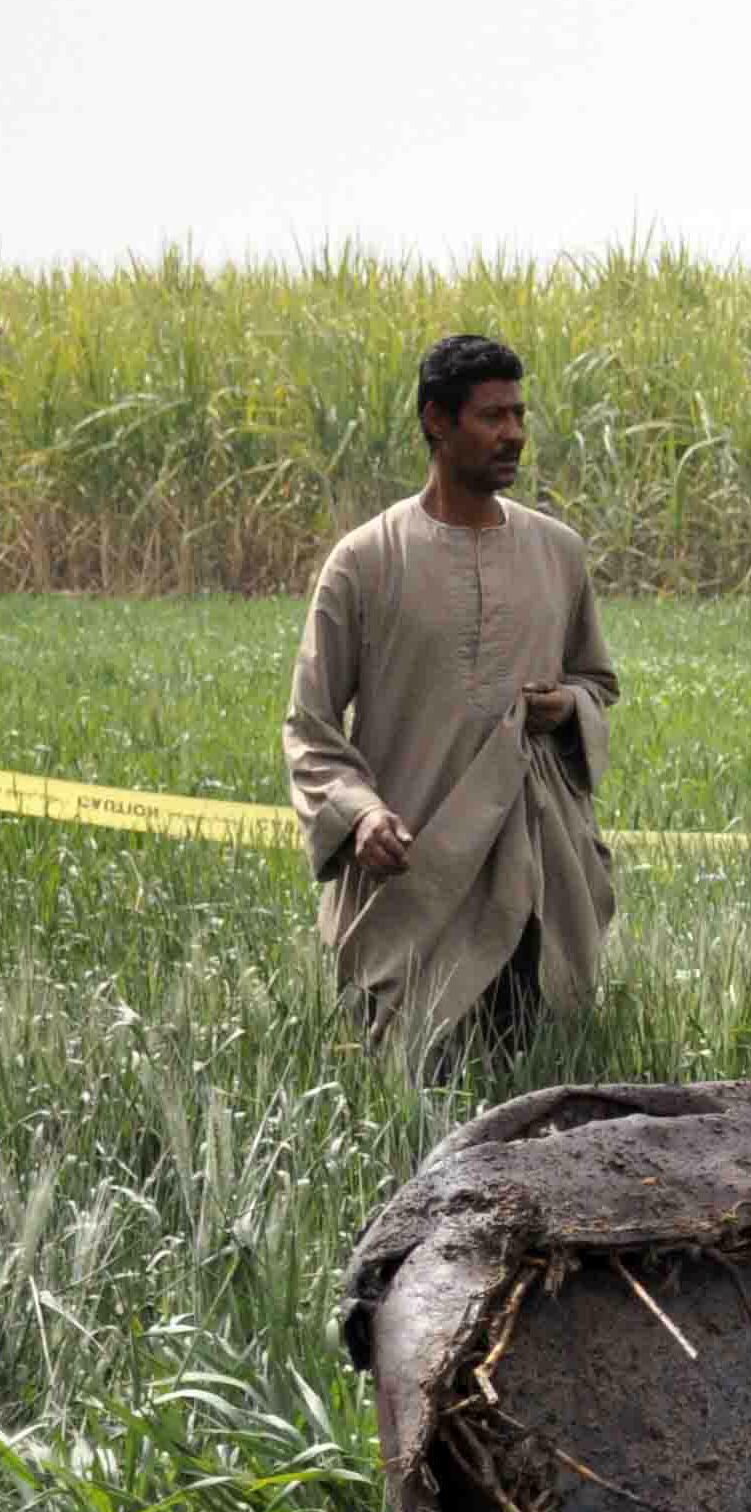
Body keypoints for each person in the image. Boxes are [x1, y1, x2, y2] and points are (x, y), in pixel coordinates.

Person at [284, 334, 619, 1063]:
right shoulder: (367, 560)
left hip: (534, 870)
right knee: (412, 1088)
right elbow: (309, 727)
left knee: (536, 1084)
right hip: (414, 880)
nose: (515, 435)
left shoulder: (557, 552)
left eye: (520, 415)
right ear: (438, 421)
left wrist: (567, 706)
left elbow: (597, 682)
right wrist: (360, 812)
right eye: (493, 417)